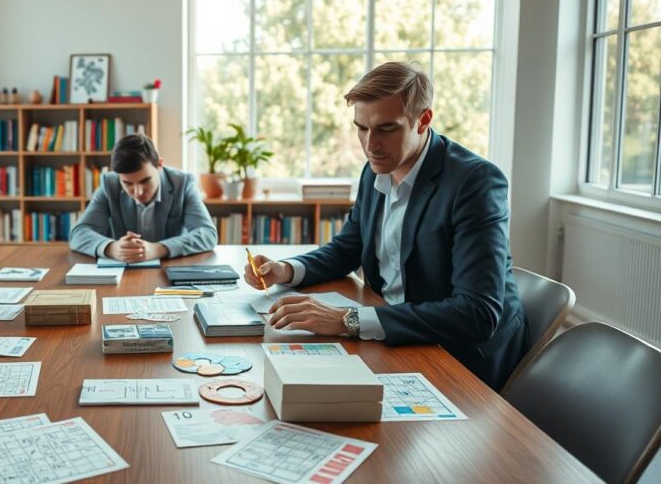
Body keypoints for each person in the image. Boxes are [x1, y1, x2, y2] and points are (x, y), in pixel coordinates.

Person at [245, 62, 529, 391]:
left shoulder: (475, 183)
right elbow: (347, 247)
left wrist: (346, 321)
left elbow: (477, 313)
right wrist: (285, 270)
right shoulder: (376, 169)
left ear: (423, 120)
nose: (370, 145)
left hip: (459, 360)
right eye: (361, 128)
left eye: (387, 128)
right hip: (393, 333)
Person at [69, 133, 217, 262]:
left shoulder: (184, 183)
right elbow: (78, 234)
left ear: (159, 164)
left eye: (145, 181)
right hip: (123, 275)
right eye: (127, 183)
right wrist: (111, 248)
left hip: (170, 270)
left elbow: (208, 234)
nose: (138, 192)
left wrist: (158, 249)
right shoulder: (109, 184)